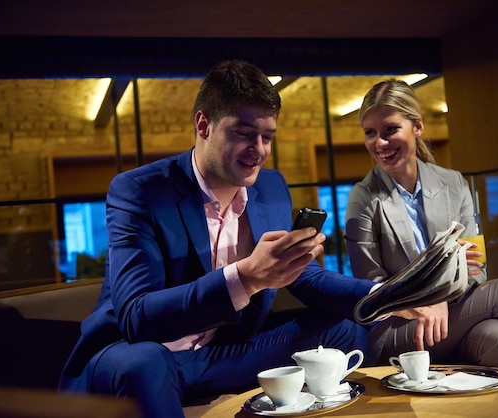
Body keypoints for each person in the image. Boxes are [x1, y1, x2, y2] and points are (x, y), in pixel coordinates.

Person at [58, 60, 377, 418]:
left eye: (267, 137)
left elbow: (305, 278)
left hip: (220, 354)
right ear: (203, 125)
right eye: (243, 133)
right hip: (141, 352)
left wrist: (386, 295)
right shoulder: (140, 191)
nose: (259, 148)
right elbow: (136, 318)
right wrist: (247, 277)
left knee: (342, 331)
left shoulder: (271, 188)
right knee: (145, 363)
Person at [344, 79, 498, 378]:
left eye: (390, 130)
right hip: (396, 331)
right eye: (370, 133)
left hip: (454, 315)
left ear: (417, 127)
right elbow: (371, 290)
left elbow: (477, 267)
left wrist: (442, 299)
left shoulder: (454, 183)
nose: (379, 143)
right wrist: (430, 298)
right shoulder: (362, 198)